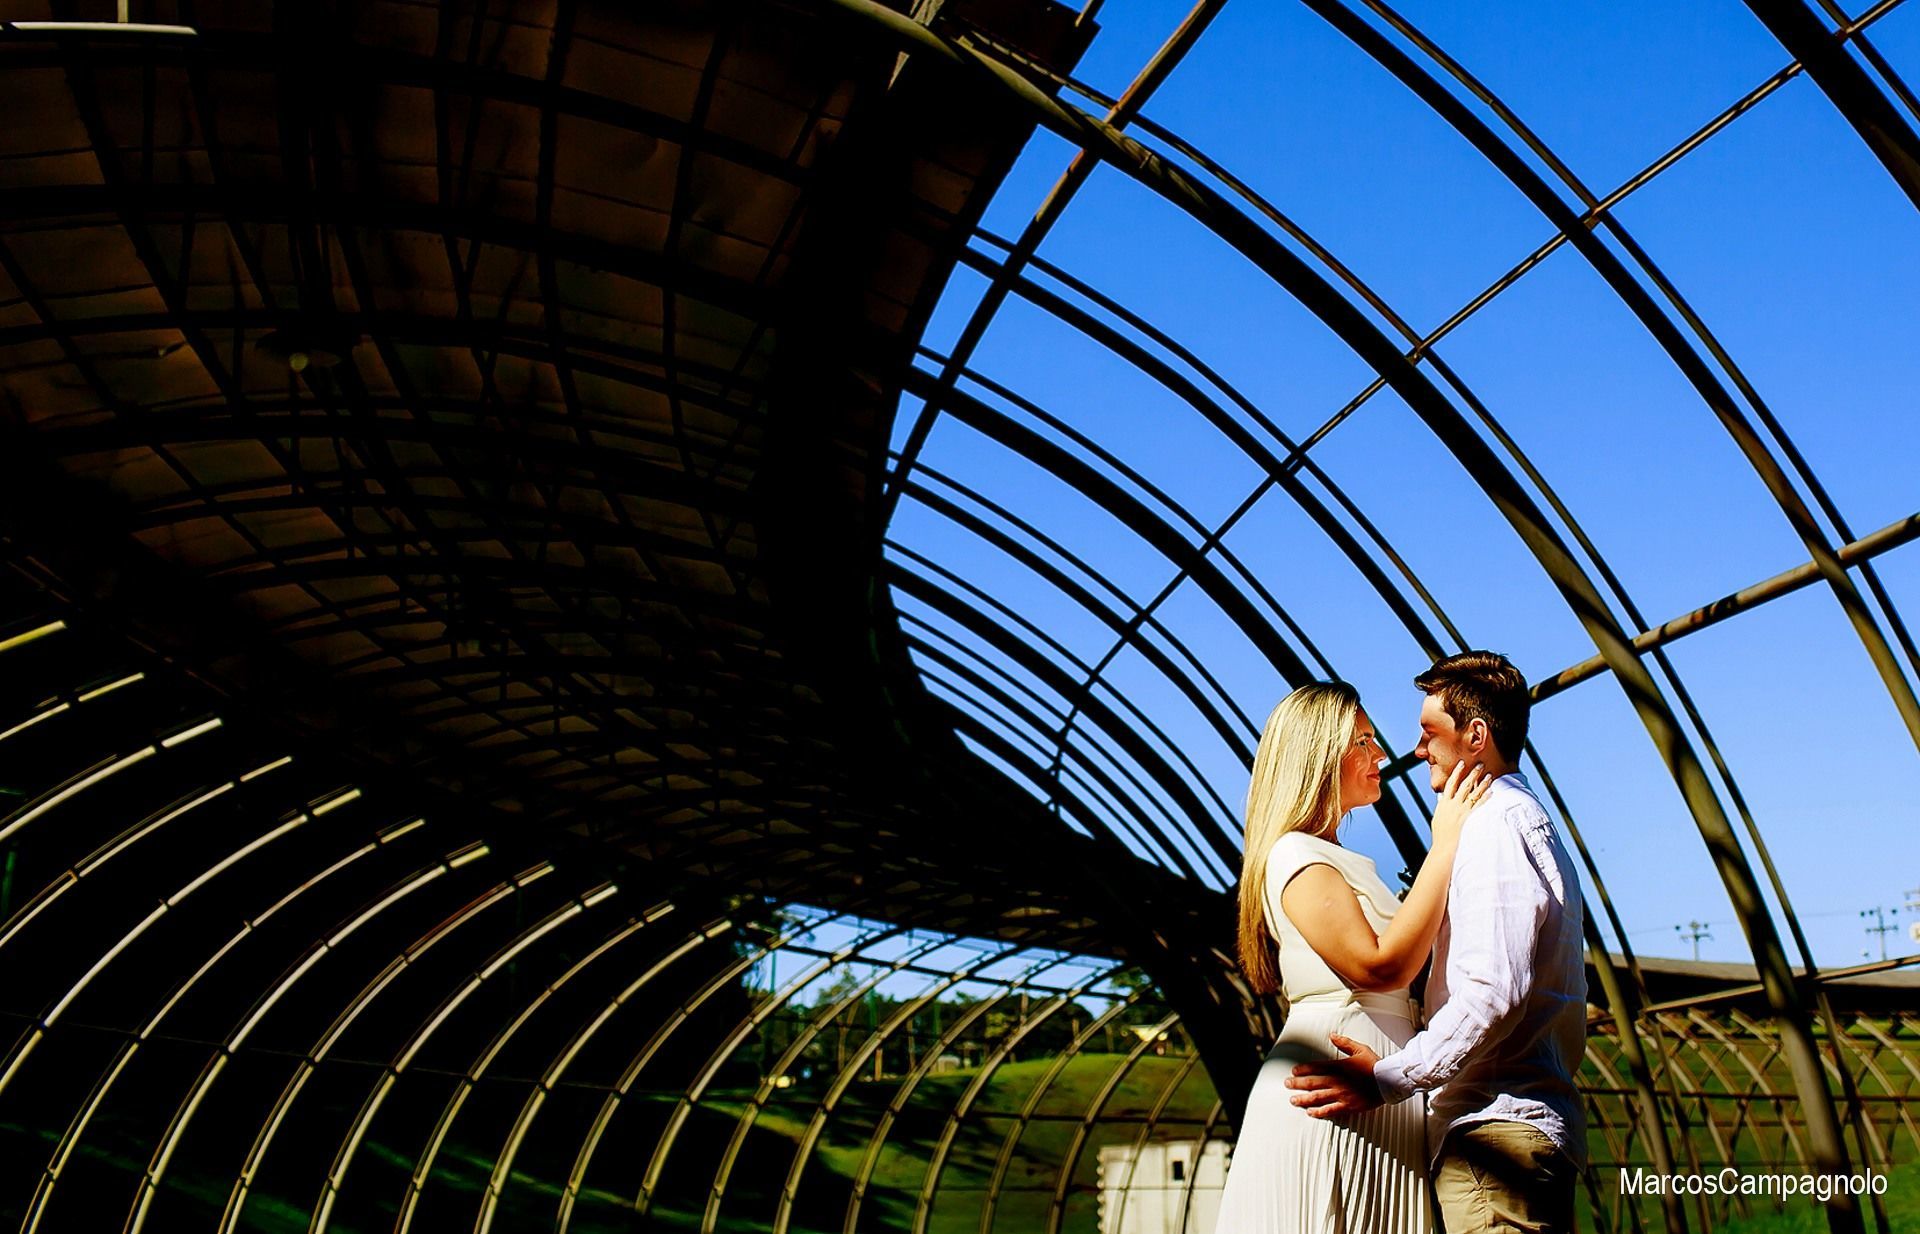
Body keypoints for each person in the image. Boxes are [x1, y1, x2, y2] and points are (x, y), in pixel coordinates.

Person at [1286, 652, 1588, 1234]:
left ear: (1475, 736)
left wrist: (1386, 1079)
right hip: (1512, 1130)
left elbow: (1491, 992)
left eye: (1429, 733)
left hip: (1494, 1138)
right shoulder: (1522, 820)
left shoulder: (1496, 824)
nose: (1418, 751)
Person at [1214, 680, 1490, 1233]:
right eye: (1362, 742)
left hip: (1373, 1089)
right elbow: (1379, 967)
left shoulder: (1340, 859)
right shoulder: (1296, 853)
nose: (1381, 755)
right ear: (1318, 756)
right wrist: (1446, 845)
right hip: (1335, 1096)